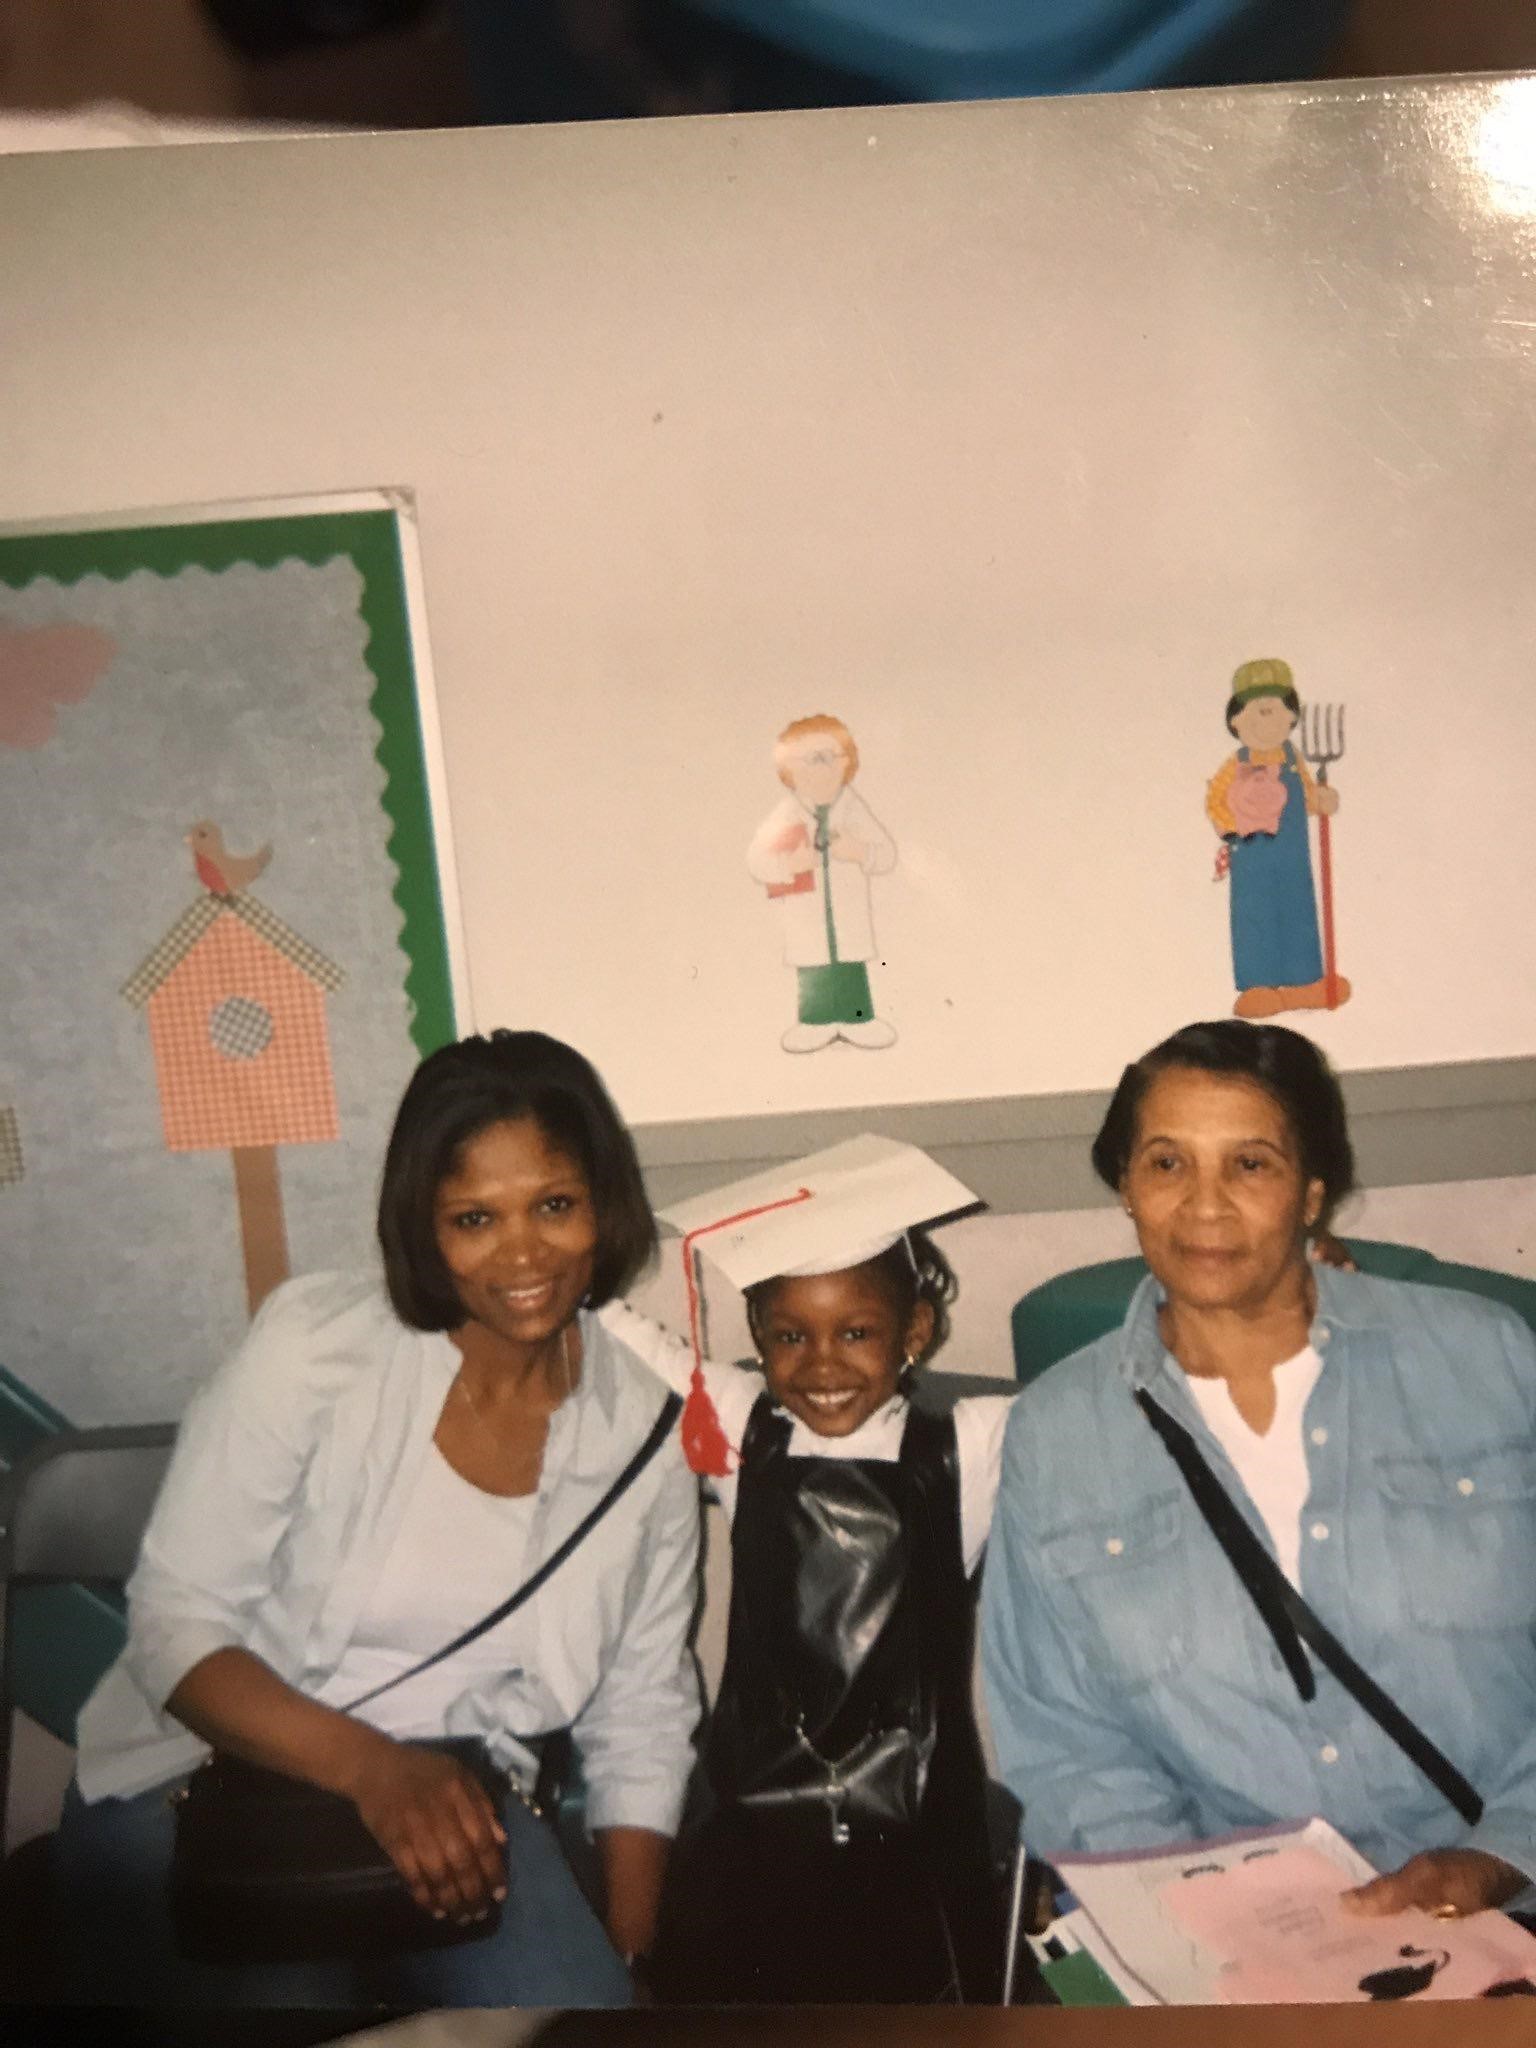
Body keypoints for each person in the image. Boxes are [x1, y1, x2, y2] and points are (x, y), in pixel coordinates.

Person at [56, 1030, 700, 2010]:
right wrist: (378, 1773)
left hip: (470, 1812)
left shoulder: (648, 1439)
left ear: (604, 1204)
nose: (524, 1252)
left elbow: (642, 1716)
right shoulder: (315, 1348)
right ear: (424, 1228)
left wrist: (632, 1961)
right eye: (476, 1216)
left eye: (555, 1204)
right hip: (218, 1793)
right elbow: (172, 1628)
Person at [983, 1020, 1536, 1926]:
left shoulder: (1490, 1361)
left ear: (1313, 1191)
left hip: (1509, 1903)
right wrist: (1211, 1922)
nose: (1205, 1207)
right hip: (1233, 1944)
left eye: (1250, 1165)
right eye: (1166, 1164)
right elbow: (1068, 1745)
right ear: (1125, 1186)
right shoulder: (1055, 1435)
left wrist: (1499, 1854)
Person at [604, 1135, 1014, 2003]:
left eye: (856, 1333)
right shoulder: (745, 1428)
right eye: (790, 1336)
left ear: (917, 1331)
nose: (822, 1364)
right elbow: (624, 1335)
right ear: (757, 1336)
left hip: (915, 1836)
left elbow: (1129, 1385)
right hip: (753, 1828)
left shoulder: (968, 1446)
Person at [1205, 658, 1349, 1019]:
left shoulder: (1292, 758)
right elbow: (1215, 801)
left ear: (1292, 718)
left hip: (1292, 856)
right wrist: (1231, 825)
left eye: (1276, 711)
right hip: (1252, 854)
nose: (1267, 721)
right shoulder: (1233, 764)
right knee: (1256, 917)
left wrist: (1322, 799)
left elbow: (1306, 795)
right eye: (1256, 712)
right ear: (1235, 720)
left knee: (1299, 910)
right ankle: (1260, 986)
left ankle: (1305, 983)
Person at [747, 714, 898, 1052]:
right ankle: (815, 1021)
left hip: (847, 912)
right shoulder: (786, 812)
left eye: (832, 757)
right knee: (813, 967)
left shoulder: (854, 809)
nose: (822, 769)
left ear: (848, 763)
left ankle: (858, 1018)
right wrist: (789, 865)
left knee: (850, 966)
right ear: (789, 769)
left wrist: (859, 851)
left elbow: (886, 854)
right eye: (811, 760)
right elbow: (757, 861)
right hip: (806, 914)